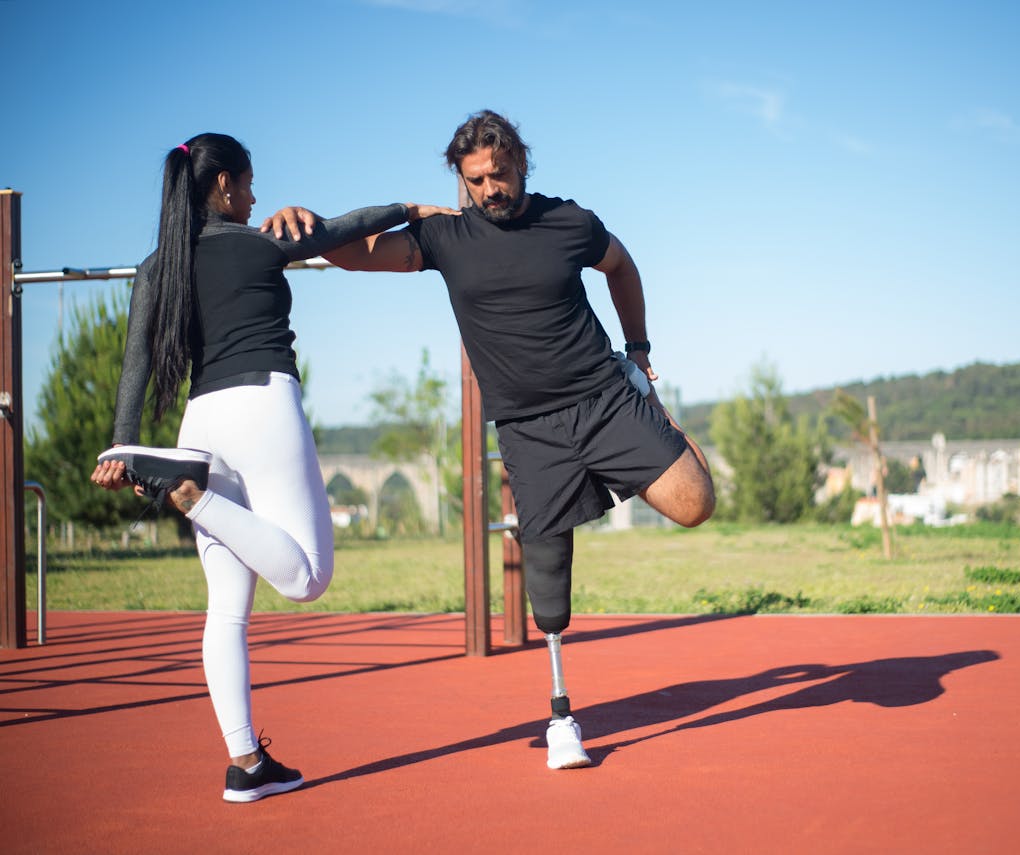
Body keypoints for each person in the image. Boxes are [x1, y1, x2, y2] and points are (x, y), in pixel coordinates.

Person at [265, 110, 716, 770]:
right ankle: (563, 715)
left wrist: (639, 350)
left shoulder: (569, 223)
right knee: (548, 592)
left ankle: (658, 415)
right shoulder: (446, 237)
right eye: (475, 180)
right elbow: (351, 257)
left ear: (521, 165)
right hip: (529, 429)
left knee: (695, 503)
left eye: (498, 175)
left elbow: (622, 266)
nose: (489, 190)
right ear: (461, 178)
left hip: (602, 396)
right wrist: (310, 224)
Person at [90, 132, 456, 802]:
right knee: (309, 579)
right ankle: (194, 499)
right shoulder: (258, 242)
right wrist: (414, 207)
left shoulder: (154, 267)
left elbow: (134, 369)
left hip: (199, 424)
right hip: (263, 406)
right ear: (223, 184)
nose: (256, 196)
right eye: (249, 183)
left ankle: (246, 763)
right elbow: (346, 228)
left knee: (226, 610)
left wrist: (121, 448)